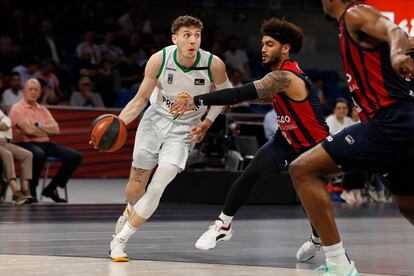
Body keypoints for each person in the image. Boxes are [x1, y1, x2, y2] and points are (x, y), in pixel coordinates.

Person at [171, 17, 329, 263]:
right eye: (263, 44)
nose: (263, 49)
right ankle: (223, 226)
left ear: (285, 48)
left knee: (310, 198)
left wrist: (198, 100)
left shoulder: (284, 77)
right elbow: (259, 98)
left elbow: (240, 91)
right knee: (250, 173)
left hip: (313, 146)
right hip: (286, 139)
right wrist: (228, 101)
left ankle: (319, 239)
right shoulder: (278, 78)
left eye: (269, 44)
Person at [287, 1, 414, 275]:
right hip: (399, 123)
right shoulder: (349, 25)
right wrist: (401, 48)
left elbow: (395, 32)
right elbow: (403, 38)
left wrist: (396, 53)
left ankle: (338, 264)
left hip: (390, 121)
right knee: (407, 204)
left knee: (302, 169)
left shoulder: (356, 13)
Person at [106, 15, 231, 262]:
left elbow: (227, 95)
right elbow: (140, 100)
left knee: (158, 185)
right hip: (154, 120)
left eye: (197, 35)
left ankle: (120, 241)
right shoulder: (159, 60)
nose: (193, 40)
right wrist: (117, 124)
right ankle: (130, 209)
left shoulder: (213, 64)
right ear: (175, 39)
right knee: (135, 188)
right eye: (187, 35)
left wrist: (206, 123)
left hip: (186, 129)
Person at [8, 79, 82, 203]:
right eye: (30, 89)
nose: (33, 92)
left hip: (44, 143)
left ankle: (51, 188)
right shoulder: (17, 108)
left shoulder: (42, 110)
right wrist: (44, 129)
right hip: (23, 143)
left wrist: (37, 127)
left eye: (36, 89)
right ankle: (31, 189)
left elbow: (56, 129)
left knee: (75, 156)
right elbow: (28, 131)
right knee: (38, 155)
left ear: (40, 92)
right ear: (24, 91)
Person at [0, 108, 33, 205]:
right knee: (7, 154)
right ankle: (15, 192)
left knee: (27, 155)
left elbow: (7, 121)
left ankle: (24, 190)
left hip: (4, 141)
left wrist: (4, 124)